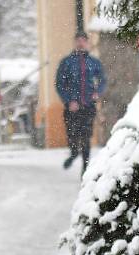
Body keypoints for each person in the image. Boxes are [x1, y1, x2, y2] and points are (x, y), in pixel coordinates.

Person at [55, 31, 107, 174]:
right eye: (78, 40)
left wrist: (98, 92)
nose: (81, 43)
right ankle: (73, 154)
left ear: (88, 43)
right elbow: (59, 84)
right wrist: (69, 100)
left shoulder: (93, 62)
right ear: (74, 42)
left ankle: (85, 169)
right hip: (72, 108)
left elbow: (103, 80)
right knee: (72, 136)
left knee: (86, 137)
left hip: (88, 106)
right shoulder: (66, 62)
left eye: (83, 40)